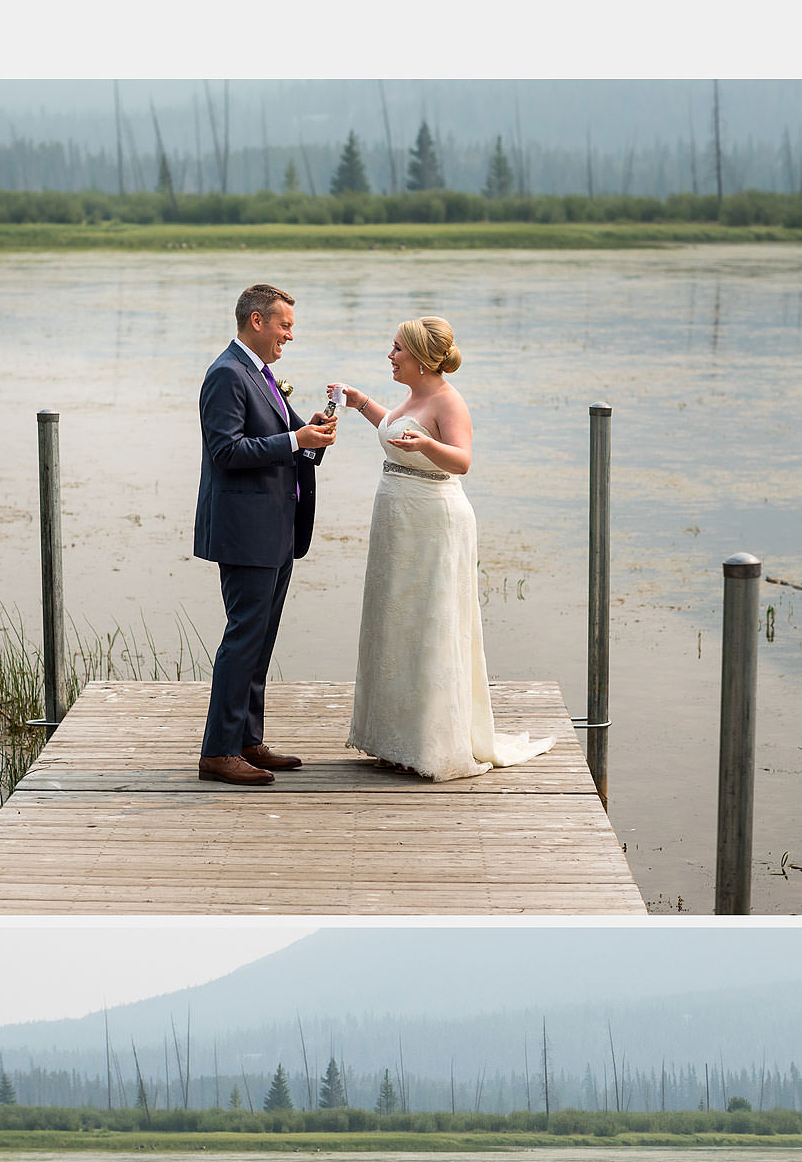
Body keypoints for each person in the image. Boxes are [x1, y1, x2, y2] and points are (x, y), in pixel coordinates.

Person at [327, 316, 553, 780]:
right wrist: (360, 403)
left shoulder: (449, 401)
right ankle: (391, 738)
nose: (389, 356)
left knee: (430, 619)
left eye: (396, 350)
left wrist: (430, 444)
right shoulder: (413, 397)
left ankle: (428, 742)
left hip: (434, 519)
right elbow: (395, 431)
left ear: (423, 360)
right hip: (397, 520)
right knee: (394, 620)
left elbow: (463, 461)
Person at [194, 282, 337, 787]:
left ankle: (248, 740)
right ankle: (219, 751)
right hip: (244, 531)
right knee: (244, 637)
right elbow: (226, 452)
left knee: (262, 638)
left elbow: (288, 437)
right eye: (284, 326)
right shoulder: (226, 375)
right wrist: (294, 439)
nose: (289, 336)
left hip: (275, 529)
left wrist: (311, 431)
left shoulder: (261, 373)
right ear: (257, 322)